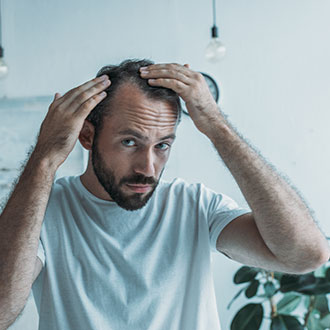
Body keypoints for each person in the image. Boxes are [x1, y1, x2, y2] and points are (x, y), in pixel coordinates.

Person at [0, 59, 328, 330]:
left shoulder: (195, 205)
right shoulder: (44, 208)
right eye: (130, 142)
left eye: (162, 146)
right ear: (87, 136)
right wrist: (45, 158)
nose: (149, 166)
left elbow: (306, 255)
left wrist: (216, 126)